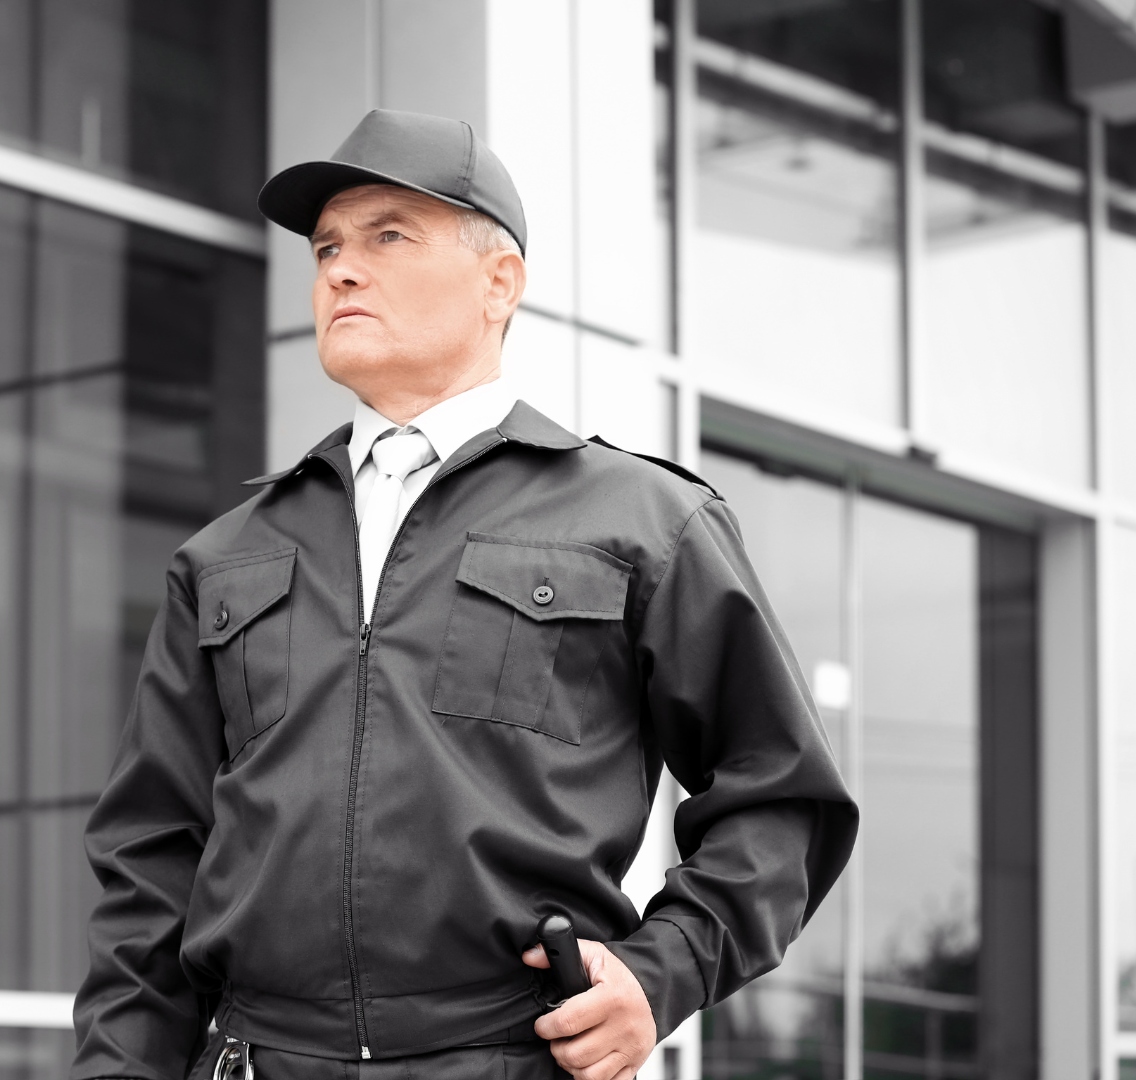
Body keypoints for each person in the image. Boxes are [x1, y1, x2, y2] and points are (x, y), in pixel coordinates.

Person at [69, 109, 857, 1080]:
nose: (340, 271)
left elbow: (781, 801)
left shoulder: (644, 523)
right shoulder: (225, 557)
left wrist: (662, 974)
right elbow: (148, 861)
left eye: (387, 236)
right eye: (326, 249)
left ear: (499, 283)